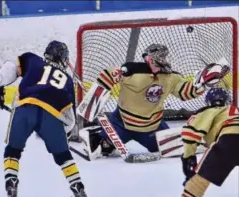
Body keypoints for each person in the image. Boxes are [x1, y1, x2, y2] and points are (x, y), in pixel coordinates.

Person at [0, 40, 92, 197]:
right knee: (63, 156)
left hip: (25, 109)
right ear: (62, 58)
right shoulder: (66, 80)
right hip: (51, 116)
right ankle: (79, 189)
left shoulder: (32, 60)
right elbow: (69, 119)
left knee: (12, 151)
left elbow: (10, 67)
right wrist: (58, 134)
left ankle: (11, 188)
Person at [81, 43, 224, 160]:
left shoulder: (170, 77)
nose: (164, 59)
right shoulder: (132, 72)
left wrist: (202, 85)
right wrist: (95, 98)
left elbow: (186, 92)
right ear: (149, 59)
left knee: (175, 149)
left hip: (152, 127)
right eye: (160, 56)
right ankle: (95, 135)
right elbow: (108, 74)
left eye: (164, 56)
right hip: (121, 124)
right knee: (103, 148)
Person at [169, 88, 239, 197]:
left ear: (208, 102)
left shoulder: (206, 111)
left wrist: (188, 157)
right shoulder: (234, 110)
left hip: (228, 140)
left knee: (197, 184)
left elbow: (190, 135)